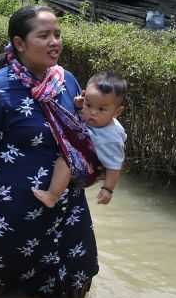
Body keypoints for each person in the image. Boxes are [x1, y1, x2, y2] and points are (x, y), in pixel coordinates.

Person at [0, 6, 99, 298]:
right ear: (19, 43)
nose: (54, 42)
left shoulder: (66, 81)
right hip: (12, 213)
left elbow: (80, 134)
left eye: (57, 34)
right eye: (44, 35)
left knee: (71, 293)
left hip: (65, 208)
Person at [33, 71, 128, 207]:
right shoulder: (96, 118)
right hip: (84, 152)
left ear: (117, 112)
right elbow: (81, 116)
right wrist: (79, 106)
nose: (93, 112)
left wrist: (108, 189)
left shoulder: (111, 138)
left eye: (102, 109)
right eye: (88, 105)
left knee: (65, 162)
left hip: (89, 170)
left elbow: (115, 166)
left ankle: (52, 196)